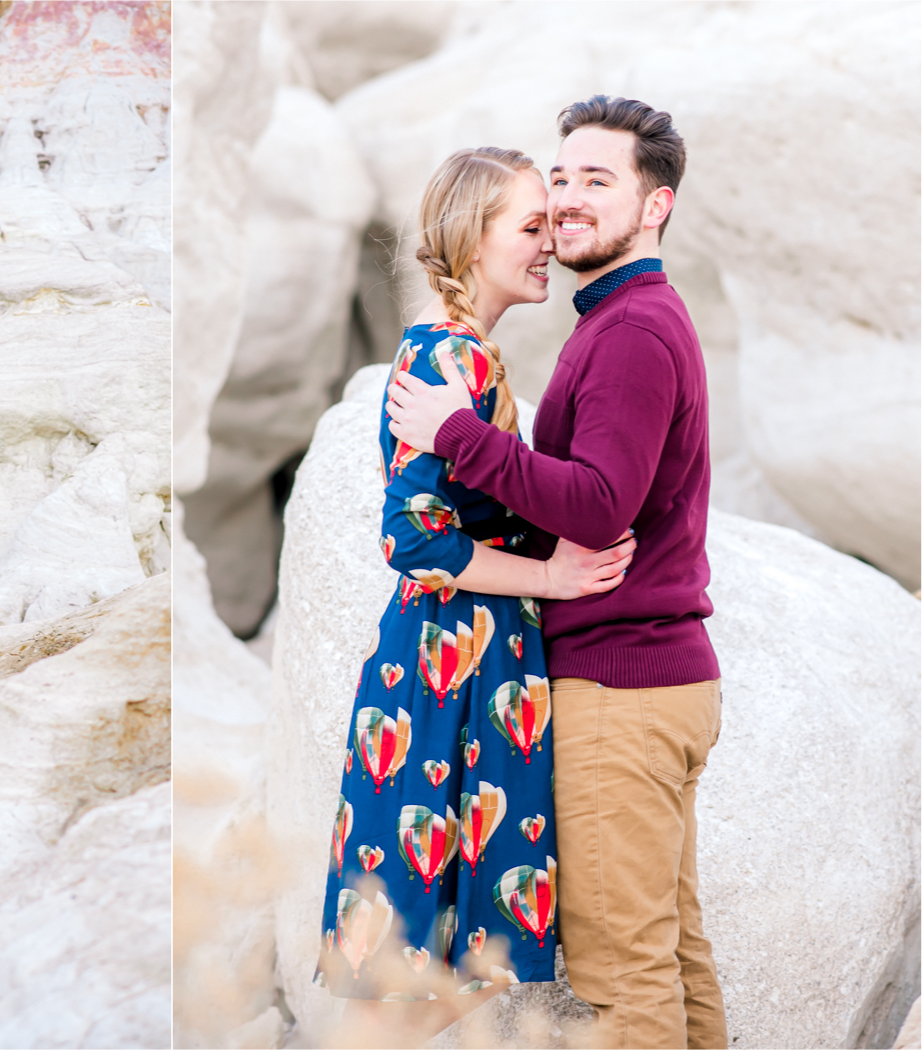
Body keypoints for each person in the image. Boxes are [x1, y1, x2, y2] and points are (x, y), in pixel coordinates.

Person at [386, 96, 728, 1050]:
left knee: (624, 983)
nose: (570, 201)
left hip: (622, 687)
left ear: (655, 206)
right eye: (560, 180)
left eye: (598, 181)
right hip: (655, 678)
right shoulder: (622, 320)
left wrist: (455, 433)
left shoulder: (629, 333)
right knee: (669, 957)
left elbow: (598, 504)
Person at [313, 145, 637, 1048]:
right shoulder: (451, 355)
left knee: (447, 957)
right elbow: (410, 539)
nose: (550, 244)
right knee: (419, 969)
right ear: (471, 237)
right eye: (530, 228)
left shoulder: (463, 351)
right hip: (449, 671)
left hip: (472, 664)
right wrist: (550, 576)